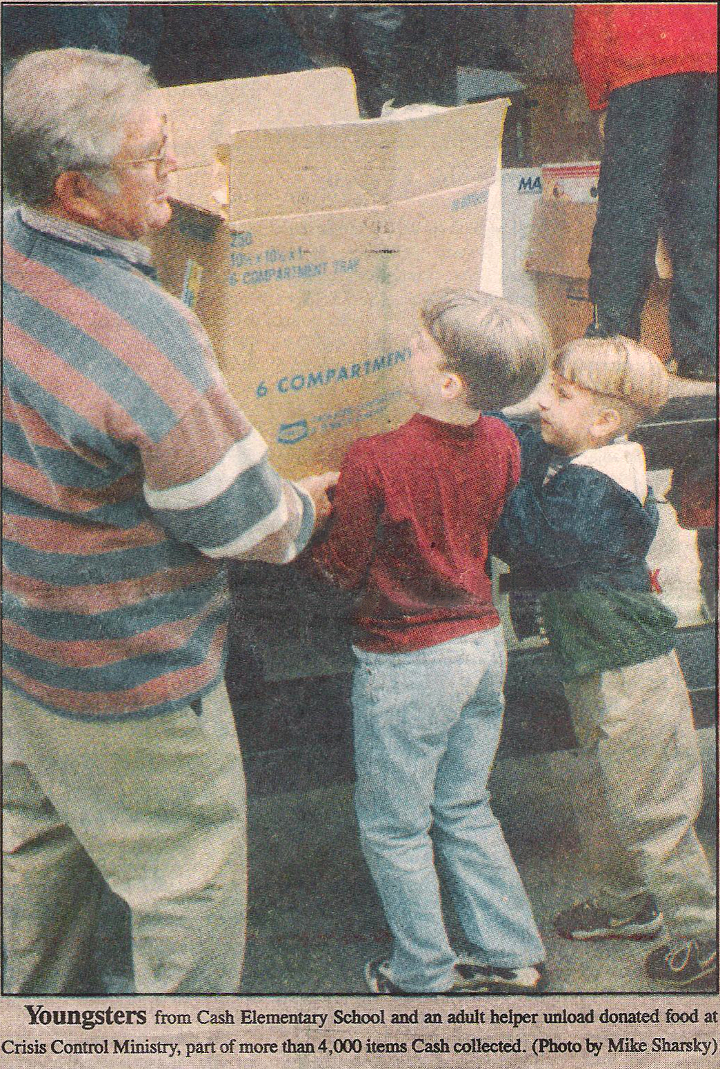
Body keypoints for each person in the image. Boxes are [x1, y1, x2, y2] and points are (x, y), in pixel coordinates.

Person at [2, 47, 337, 994]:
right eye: (150, 157)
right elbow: (244, 525)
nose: (174, 170)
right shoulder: (147, 332)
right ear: (75, 187)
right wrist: (310, 502)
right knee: (185, 888)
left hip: (26, 648)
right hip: (133, 676)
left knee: (38, 860)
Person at [308, 290, 549, 994]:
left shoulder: (375, 457)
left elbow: (339, 569)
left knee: (394, 826)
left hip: (407, 662)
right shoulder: (504, 441)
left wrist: (306, 521)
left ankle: (421, 971)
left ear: (447, 381)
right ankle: (512, 951)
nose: (407, 349)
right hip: (480, 646)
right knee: (465, 805)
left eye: (419, 345)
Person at [492, 337, 717, 991]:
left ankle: (702, 934)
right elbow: (528, 440)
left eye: (560, 395)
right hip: (595, 662)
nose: (542, 403)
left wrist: (496, 478)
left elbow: (533, 539)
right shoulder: (579, 454)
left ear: (603, 421)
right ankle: (628, 907)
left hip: (632, 674)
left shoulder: (598, 486)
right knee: (601, 791)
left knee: (654, 811)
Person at [573, 3, 717, 388]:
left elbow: (592, 15)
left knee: (627, 213)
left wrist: (598, 97)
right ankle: (702, 356)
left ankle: (612, 349)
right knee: (701, 214)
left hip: (642, 62)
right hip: (710, 63)